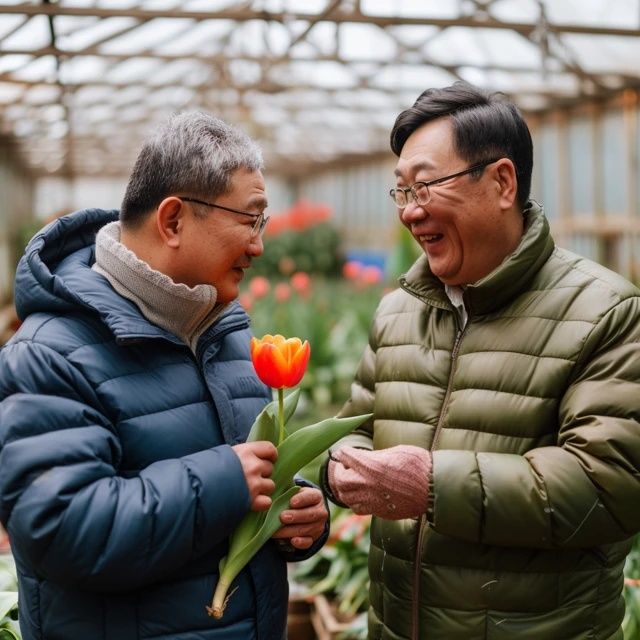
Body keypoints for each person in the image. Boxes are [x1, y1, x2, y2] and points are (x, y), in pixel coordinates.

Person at [323, 81, 640, 639]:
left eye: (424, 186)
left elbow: (610, 485)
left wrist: (433, 486)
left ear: (501, 181)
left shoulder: (607, 310)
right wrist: (336, 467)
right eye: (401, 192)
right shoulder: (398, 311)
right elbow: (357, 426)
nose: (410, 212)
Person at [0, 112, 329, 640]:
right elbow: (59, 528)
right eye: (251, 219)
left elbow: (247, 474)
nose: (259, 245)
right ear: (173, 220)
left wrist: (296, 517)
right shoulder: (50, 353)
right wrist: (226, 481)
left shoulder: (229, 340)